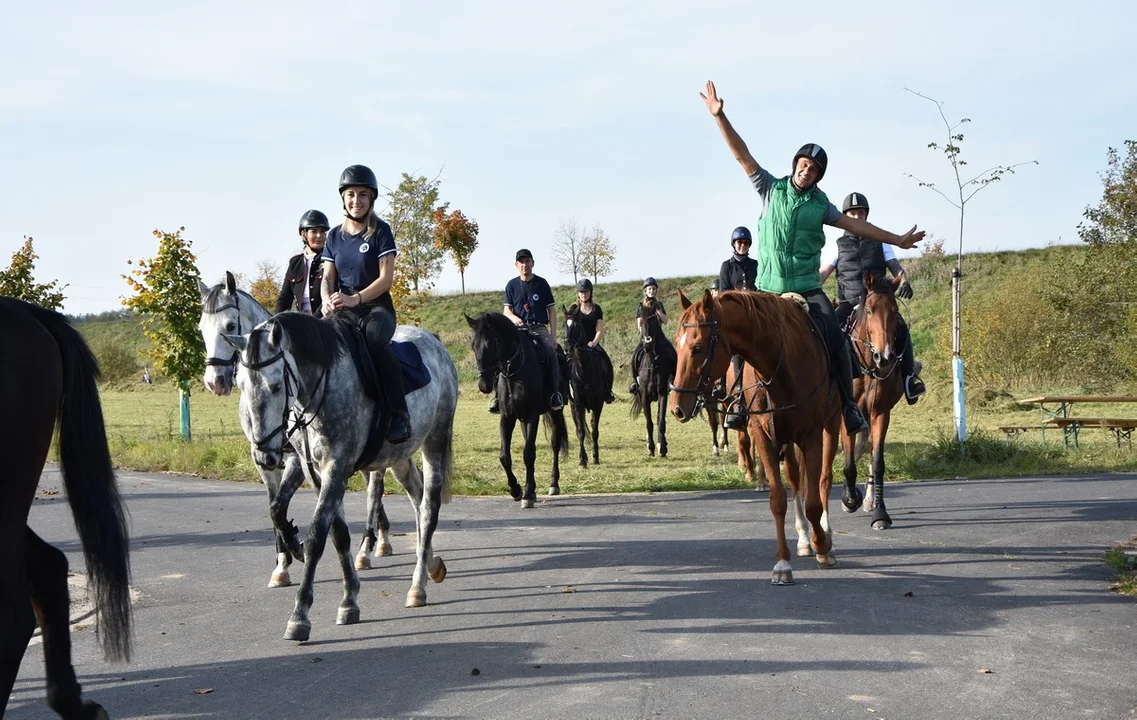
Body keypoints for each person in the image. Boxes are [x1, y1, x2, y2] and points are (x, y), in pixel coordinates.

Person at [700, 80, 924, 434]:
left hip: (806, 287)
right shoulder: (770, 189)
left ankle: (849, 407)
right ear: (795, 166)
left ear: (818, 176)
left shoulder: (822, 206)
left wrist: (897, 238)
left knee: (836, 336)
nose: (807, 170)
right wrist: (720, 116)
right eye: (803, 164)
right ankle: (739, 403)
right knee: (739, 333)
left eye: (814, 168)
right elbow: (741, 154)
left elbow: (860, 228)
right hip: (768, 288)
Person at [320, 164, 411, 444]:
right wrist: (326, 300)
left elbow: (386, 280)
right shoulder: (334, 236)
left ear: (371, 199)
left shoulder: (380, 232)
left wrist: (355, 298)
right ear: (343, 198)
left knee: (373, 344)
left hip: (377, 309)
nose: (356, 200)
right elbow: (327, 277)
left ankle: (399, 414)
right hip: (343, 310)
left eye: (362, 194)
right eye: (350, 194)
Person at [819, 192, 926, 403]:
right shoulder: (837, 246)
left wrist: (903, 281)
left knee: (902, 329)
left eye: (860, 213)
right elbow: (824, 273)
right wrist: (807, 289)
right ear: (845, 216)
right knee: (826, 331)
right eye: (852, 214)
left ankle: (909, 380)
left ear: (866, 215)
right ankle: (824, 381)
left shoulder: (880, 242)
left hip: (877, 301)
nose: (857, 217)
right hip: (849, 303)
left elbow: (895, 267)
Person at [488, 248, 564, 414]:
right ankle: (497, 397)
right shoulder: (511, 285)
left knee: (551, 352)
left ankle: (554, 394)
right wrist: (514, 318)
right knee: (500, 353)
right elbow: (506, 311)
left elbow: (551, 311)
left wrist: (552, 336)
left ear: (533, 263)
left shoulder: (542, 284)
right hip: (517, 330)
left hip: (538, 327)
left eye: (527, 261)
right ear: (516, 265)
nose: (524, 265)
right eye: (521, 262)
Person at [716, 226, 759, 428]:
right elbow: (724, 294)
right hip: (735, 318)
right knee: (732, 349)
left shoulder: (756, 265)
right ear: (734, 244)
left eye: (745, 243)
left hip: (755, 317)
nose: (742, 245)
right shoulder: (727, 266)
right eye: (739, 242)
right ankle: (736, 399)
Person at [568, 278, 616, 403]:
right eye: (581, 291)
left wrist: (594, 342)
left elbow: (599, 330)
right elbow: (569, 328)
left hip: (592, 344)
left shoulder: (596, 309)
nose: (584, 294)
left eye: (586, 291)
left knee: (606, 362)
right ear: (578, 293)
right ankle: (564, 392)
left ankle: (607, 391)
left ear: (591, 292)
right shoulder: (574, 309)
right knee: (565, 363)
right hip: (577, 346)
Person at [275, 209, 329, 317]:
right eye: (314, 231)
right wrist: (276, 320)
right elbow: (285, 298)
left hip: (325, 319)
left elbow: (332, 292)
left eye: (322, 231)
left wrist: (313, 320)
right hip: (301, 319)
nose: (319, 235)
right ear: (303, 234)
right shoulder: (294, 263)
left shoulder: (330, 260)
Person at [627, 277, 668, 395]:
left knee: (671, 352)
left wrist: (659, 313)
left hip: (659, 336)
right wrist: (644, 334)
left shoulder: (659, 304)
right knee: (635, 356)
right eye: (649, 289)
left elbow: (665, 321)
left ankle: (672, 378)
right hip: (645, 336)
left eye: (654, 289)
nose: (652, 291)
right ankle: (635, 382)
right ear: (645, 291)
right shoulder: (641, 306)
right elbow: (639, 324)